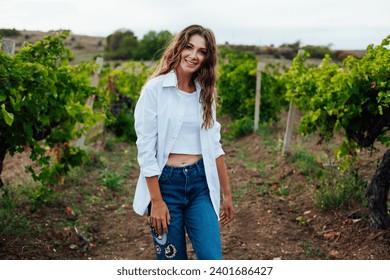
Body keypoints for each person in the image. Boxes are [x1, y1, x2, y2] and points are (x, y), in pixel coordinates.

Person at [133, 24, 233, 260]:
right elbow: (146, 151)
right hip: (166, 185)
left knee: (213, 261)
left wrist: (227, 194)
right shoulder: (155, 90)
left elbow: (215, 147)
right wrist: (156, 201)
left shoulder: (205, 93)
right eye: (189, 47)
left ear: (206, 58)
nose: (194, 55)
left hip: (200, 185)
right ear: (179, 48)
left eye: (201, 51)